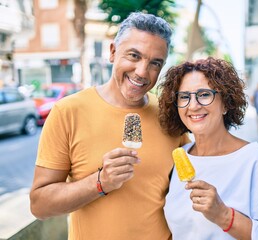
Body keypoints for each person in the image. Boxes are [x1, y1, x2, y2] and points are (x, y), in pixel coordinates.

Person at [30, 12, 189, 240]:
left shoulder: (170, 114)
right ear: (113, 52)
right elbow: (39, 206)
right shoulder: (67, 112)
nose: (142, 72)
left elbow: (189, 181)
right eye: (134, 55)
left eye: (155, 63)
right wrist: (100, 182)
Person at [158, 57, 258, 240]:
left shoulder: (253, 158)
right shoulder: (180, 156)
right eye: (184, 97)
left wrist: (224, 215)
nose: (193, 105)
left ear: (225, 103)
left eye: (204, 94)